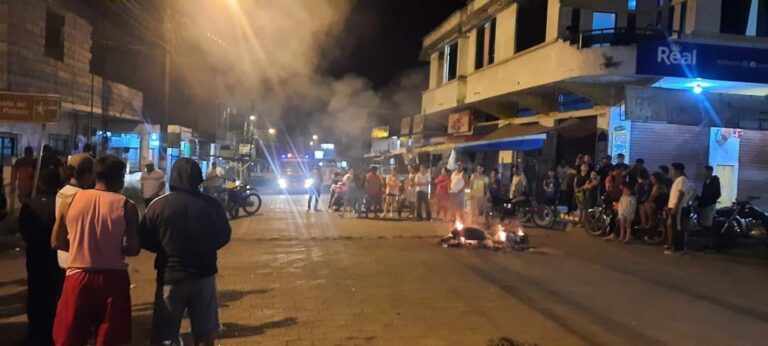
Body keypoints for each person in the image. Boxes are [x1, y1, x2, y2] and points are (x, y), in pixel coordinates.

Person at [140, 158, 231, 346]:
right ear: (198, 178)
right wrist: (206, 248)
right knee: (204, 334)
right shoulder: (212, 205)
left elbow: (145, 238)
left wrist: (164, 249)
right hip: (204, 275)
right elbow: (224, 235)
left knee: (166, 336)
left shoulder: (158, 206)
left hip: (170, 277)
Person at [51, 155, 141, 345]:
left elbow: (56, 242)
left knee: (70, 337)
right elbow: (133, 248)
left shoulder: (70, 200)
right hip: (113, 280)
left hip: (78, 277)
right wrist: (113, 248)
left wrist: (80, 246)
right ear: (120, 177)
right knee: (110, 339)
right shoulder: (127, 206)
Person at [18, 168, 64, 345]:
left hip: (35, 255)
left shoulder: (31, 204)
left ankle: (35, 329)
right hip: (55, 256)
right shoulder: (61, 205)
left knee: (35, 290)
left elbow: (24, 230)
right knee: (53, 293)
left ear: (40, 183)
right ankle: (51, 330)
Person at [55, 154, 96, 269]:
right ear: (88, 173)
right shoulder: (81, 196)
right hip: (77, 258)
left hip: (63, 256)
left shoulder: (62, 192)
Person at [665, 162, 695, 254]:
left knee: (677, 227)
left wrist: (676, 206)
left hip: (678, 207)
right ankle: (673, 245)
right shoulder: (678, 180)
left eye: (673, 169)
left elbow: (681, 194)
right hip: (673, 206)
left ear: (677, 170)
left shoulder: (682, 179)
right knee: (672, 226)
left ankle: (677, 248)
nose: (671, 172)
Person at [699, 165, 721, 250]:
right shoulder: (705, 181)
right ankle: (706, 243)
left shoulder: (715, 180)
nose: (703, 173)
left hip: (709, 205)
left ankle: (710, 245)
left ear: (710, 171)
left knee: (708, 226)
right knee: (704, 225)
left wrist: (710, 200)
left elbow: (717, 193)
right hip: (703, 205)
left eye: (705, 171)